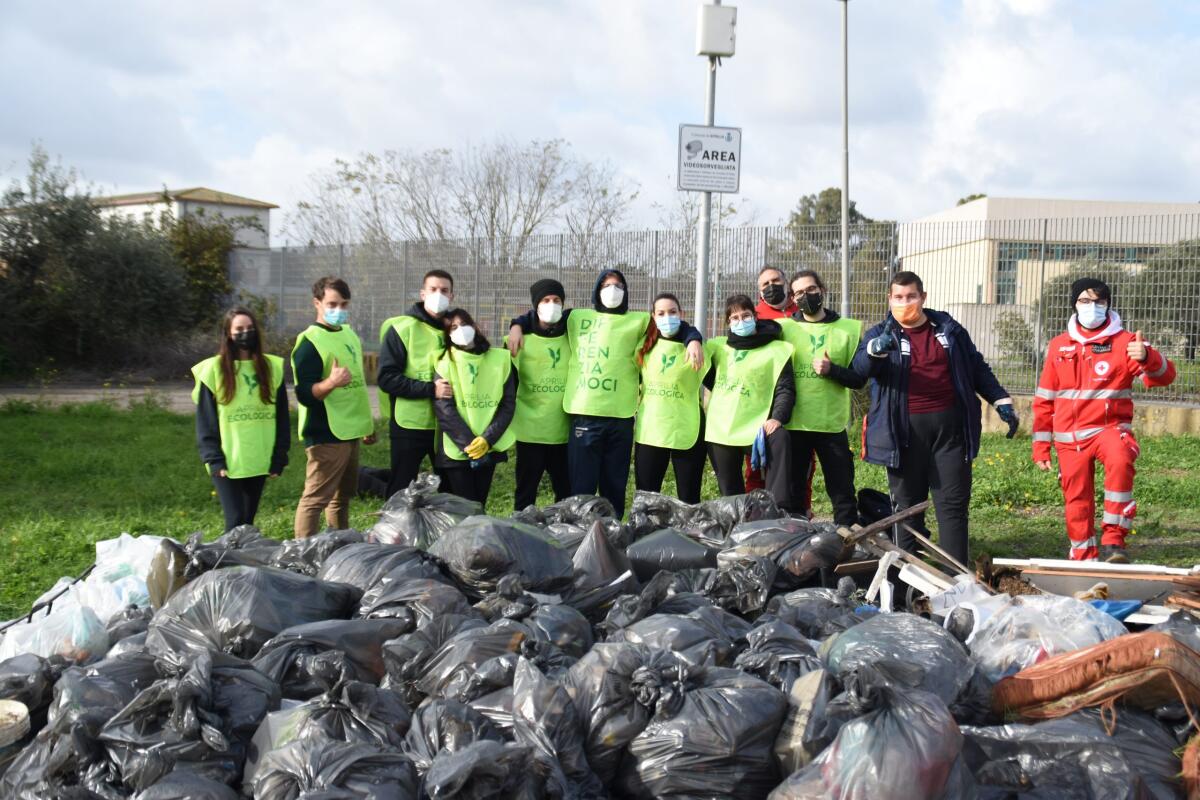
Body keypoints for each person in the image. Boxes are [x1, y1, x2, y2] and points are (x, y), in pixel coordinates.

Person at [852, 270, 1017, 566]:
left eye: (911, 296)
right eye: (899, 297)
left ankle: (956, 578)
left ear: (923, 297)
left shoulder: (948, 329)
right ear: (890, 299)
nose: (905, 303)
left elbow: (976, 366)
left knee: (952, 506)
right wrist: (875, 351)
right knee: (907, 510)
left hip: (951, 433)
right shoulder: (880, 333)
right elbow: (860, 369)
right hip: (903, 435)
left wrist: (1000, 399)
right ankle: (909, 581)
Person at [508, 268, 702, 517]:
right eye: (607, 285)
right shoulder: (577, 317)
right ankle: (579, 535)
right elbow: (543, 317)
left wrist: (693, 338)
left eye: (619, 285)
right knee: (581, 490)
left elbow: (671, 324)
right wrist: (516, 325)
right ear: (597, 290)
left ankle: (612, 537)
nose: (613, 290)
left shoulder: (638, 320)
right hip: (584, 415)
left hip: (620, 418)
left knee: (614, 486)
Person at [1033, 278, 1176, 563]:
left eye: (1099, 302)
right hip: (1068, 437)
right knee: (1076, 498)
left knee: (1120, 458)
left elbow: (1165, 377)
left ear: (1108, 304)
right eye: (1085, 301)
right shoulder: (1059, 345)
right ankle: (1083, 555)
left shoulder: (1126, 342)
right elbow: (1045, 398)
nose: (1092, 307)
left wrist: (1148, 356)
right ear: (1074, 304)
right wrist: (1041, 445)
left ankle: (1114, 542)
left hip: (1108, 429)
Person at [777, 270, 865, 527]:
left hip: (831, 424)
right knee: (793, 493)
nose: (807, 296)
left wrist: (833, 370)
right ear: (793, 297)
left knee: (842, 491)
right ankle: (795, 546)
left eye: (811, 289)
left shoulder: (848, 329)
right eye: (800, 292)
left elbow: (859, 380)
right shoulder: (783, 329)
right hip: (795, 424)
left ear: (822, 290)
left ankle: (845, 542)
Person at [292, 276, 376, 539]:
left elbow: (358, 387)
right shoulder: (308, 343)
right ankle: (302, 554)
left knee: (342, 497)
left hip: (351, 430)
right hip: (325, 432)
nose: (338, 310)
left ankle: (340, 546)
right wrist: (330, 382)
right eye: (332, 304)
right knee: (315, 500)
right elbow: (304, 393)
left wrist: (366, 425)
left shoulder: (349, 334)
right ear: (317, 303)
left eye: (344, 304)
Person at [192, 307, 289, 531]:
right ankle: (226, 563)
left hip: (258, 458)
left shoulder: (271, 368)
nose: (245, 333)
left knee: (247, 521)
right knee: (234, 520)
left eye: (249, 328)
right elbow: (205, 420)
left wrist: (279, 456)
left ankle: (242, 562)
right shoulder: (213, 370)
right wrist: (213, 458)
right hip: (228, 461)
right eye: (239, 329)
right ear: (228, 333)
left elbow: (281, 418)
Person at [704, 294, 797, 509]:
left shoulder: (777, 349)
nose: (740, 321)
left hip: (758, 426)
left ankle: (777, 509)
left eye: (745, 315)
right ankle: (737, 525)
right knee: (730, 493)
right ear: (727, 323)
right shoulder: (719, 347)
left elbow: (785, 388)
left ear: (755, 317)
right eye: (734, 317)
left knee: (780, 438)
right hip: (722, 428)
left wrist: (777, 418)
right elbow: (710, 379)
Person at [378, 269, 456, 500]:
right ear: (422, 293)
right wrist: (431, 390)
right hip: (409, 424)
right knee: (401, 488)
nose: (438, 294)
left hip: (447, 426)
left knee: (450, 489)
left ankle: (446, 533)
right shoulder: (402, 328)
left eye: (444, 290)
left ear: (452, 296)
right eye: (433, 289)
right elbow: (387, 378)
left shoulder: (457, 329)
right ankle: (393, 533)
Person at [432, 309, 517, 505]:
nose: (460, 330)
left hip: (488, 445)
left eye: (464, 324)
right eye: (453, 327)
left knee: (480, 502)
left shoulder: (499, 359)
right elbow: (445, 409)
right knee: (466, 506)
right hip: (457, 448)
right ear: (447, 334)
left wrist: (487, 440)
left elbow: (508, 403)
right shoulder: (444, 362)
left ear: (475, 326)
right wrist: (470, 444)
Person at [633, 293, 710, 504]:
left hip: (687, 430)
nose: (667, 317)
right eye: (661, 313)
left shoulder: (698, 349)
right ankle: (646, 535)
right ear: (653, 317)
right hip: (651, 431)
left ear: (681, 314)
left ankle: (687, 536)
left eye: (672, 312)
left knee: (689, 498)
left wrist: (693, 338)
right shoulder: (642, 346)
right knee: (646, 499)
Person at [508, 279, 572, 510]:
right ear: (536, 305)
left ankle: (565, 538)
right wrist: (517, 325)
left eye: (556, 300)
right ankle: (522, 535)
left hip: (563, 431)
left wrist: (516, 322)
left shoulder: (572, 334)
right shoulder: (519, 339)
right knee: (525, 493)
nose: (552, 304)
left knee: (565, 493)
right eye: (546, 300)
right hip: (530, 432)